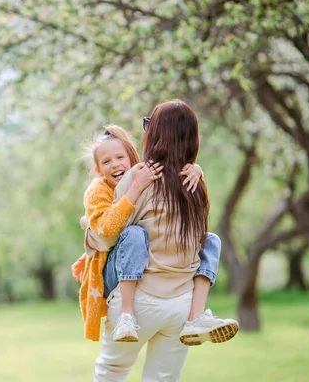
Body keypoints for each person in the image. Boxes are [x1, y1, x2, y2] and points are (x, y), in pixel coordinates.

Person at [91, 100, 238, 381]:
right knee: (163, 377)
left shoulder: (139, 175)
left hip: (137, 300)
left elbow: (109, 235)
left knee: (112, 371)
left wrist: (89, 227)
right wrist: (198, 168)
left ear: (156, 133)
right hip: (182, 304)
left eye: (149, 125)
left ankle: (126, 315)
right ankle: (199, 317)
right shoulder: (196, 184)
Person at [72, 124, 233, 344]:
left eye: (120, 157)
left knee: (211, 240)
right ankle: (126, 315)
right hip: (112, 270)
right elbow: (108, 230)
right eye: (106, 162)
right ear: (99, 170)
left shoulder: (144, 173)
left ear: (131, 158)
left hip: (136, 257)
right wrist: (135, 188)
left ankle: (196, 316)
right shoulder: (98, 190)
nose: (115, 165)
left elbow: (171, 170)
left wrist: (197, 169)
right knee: (135, 233)